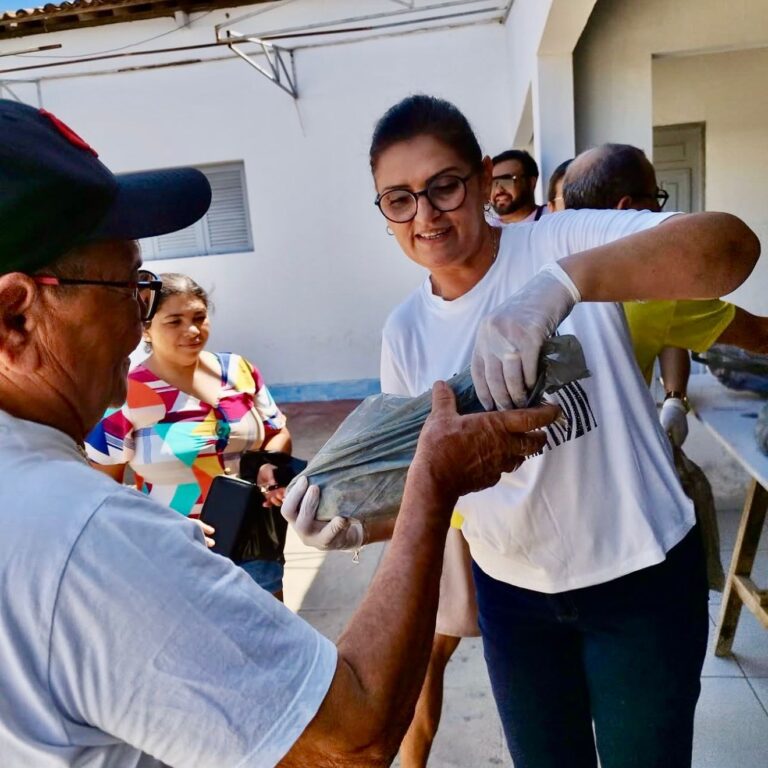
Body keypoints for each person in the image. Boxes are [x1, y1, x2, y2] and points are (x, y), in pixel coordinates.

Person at [0, 98, 559, 767]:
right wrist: (429, 486)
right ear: (15, 317)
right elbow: (350, 738)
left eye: (445, 187)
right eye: (129, 288)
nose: (136, 326)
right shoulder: (89, 538)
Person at [291, 94, 760, 768]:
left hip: (641, 575)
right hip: (514, 599)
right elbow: (426, 480)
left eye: (443, 186)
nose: (424, 215)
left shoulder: (562, 241)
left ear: (484, 179)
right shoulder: (406, 332)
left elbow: (732, 245)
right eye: (399, 199)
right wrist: (356, 524)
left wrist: (558, 288)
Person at [86, 272, 292, 598]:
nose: (192, 330)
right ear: (146, 328)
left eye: (199, 317)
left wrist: (271, 467)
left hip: (255, 533)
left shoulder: (238, 370)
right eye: (174, 321)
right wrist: (149, 529)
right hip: (177, 547)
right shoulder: (124, 394)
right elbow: (101, 486)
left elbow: (277, 433)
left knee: (273, 640)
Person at [563, 143, 768, 446]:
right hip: (616, 457)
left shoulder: (535, 261)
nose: (661, 211)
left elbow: (668, 333)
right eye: (656, 198)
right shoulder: (651, 287)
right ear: (627, 207)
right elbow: (761, 337)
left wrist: (674, 397)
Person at [489, 149, 546, 224]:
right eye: (492, 183)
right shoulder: (484, 230)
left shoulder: (552, 220)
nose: (498, 190)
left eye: (507, 180)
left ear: (531, 182)